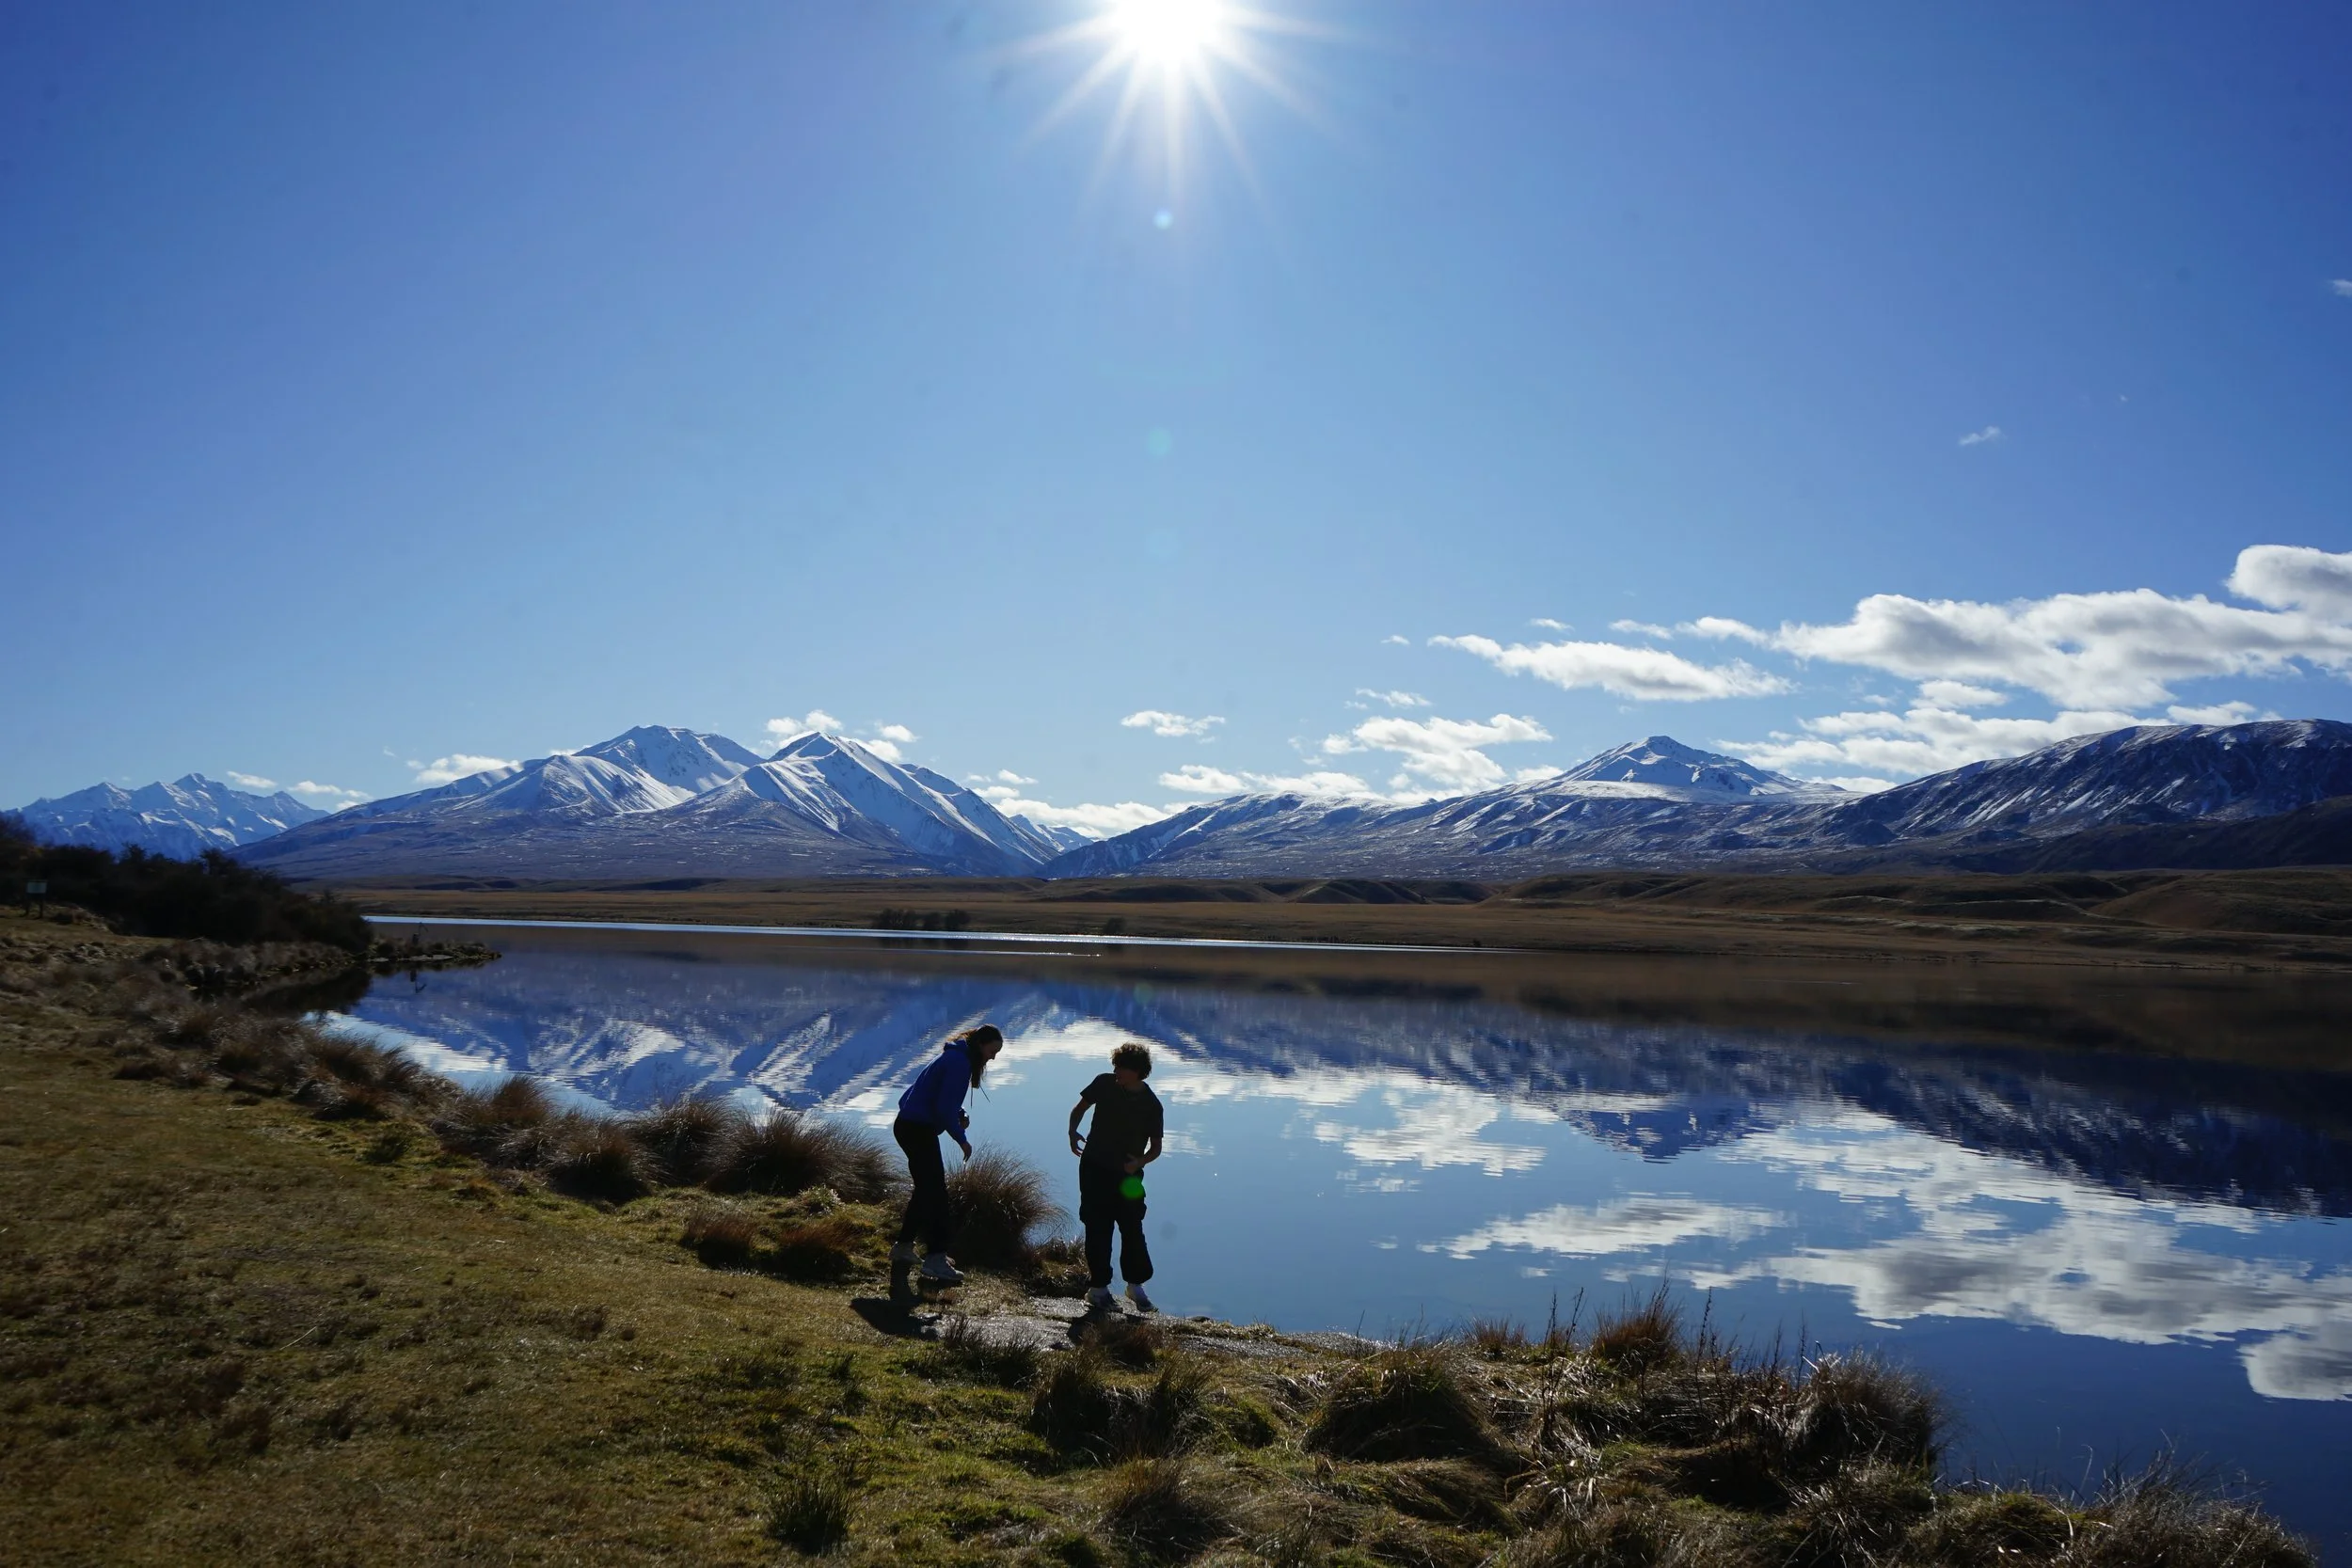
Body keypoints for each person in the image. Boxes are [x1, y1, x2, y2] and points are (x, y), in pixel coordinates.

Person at [892, 1023, 1003, 1285]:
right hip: (918, 1130)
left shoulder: (953, 1056)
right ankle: (936, 1259)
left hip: (908, 1126)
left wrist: (958, 1113)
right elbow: (943, 1109)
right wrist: (962, 1140)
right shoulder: (959, 1063)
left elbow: (926, 1097)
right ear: (980, 1045)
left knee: (925, 1189)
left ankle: (904, 1247)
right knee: (937, 1193)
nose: (993, 1057)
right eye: (992, 1050)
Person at [1067, 1040, 1165, 1313]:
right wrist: (1072, 1131)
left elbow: (1156, 1148)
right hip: (1094, 1168)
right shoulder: (1104, 1083)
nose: (1116, 1071)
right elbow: (1079, 1109)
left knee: (1132, 1227)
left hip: (1129, 1177)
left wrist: (1140, 1162)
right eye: (1116, 1066)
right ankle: (1098, 1289)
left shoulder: (1151, 1105)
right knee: (1097, 1226)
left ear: (1138, 1071)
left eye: (1121, 1068)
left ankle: (1135, 1286)